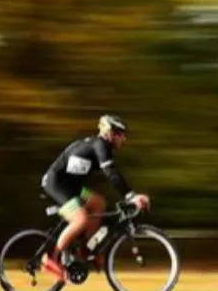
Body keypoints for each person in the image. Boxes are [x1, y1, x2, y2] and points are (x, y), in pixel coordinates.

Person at [39, 114, 150, 282]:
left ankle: (85, 250)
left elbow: (113, 173)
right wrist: (131, 196)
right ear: (110, 133)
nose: (124, 139)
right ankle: (52, 259)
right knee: (81, 219)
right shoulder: (100, 145)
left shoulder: (100, 147)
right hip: (57, 184)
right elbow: (111, 174)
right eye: (121, 134)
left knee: (99, 203)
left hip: (72, 187)